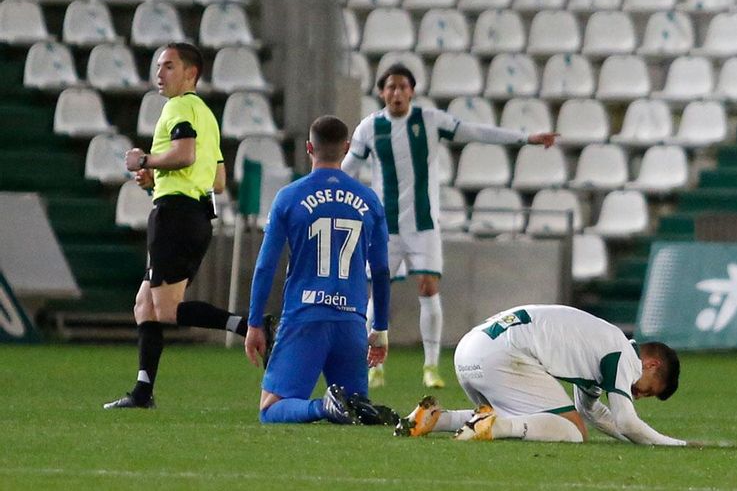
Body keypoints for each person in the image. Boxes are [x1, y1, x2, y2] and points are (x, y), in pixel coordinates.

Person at [342, 64, 559, 389]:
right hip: (384, 226)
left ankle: (430, 366)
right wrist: (324, 179)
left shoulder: (430, 121)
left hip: (424, 225)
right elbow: (348, 169)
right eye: (390, 87)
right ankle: (374, 365)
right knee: (378, 293)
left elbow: (476, 132)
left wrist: (525, 138)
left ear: (412, 91)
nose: (396, 93)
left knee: (429, 286)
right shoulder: (369, 128)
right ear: (381, 92)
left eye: (402, 87)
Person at [104, 42, 268, 410]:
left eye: (168, 66)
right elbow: (219, 179)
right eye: (158, 66)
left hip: (176, 217)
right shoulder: (206, 115)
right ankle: (143, 391)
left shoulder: (178, 107)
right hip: (191, 214)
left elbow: (185, 154)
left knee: (164, 308)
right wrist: (157, 179)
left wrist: (145, 159)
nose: (159, 74)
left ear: (190, 73)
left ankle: (248, 326)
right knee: (144, 304)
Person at [244, 115, 392, 424]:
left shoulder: (289, 197)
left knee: (270, 408)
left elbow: (265, 266)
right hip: (352, 322)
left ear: (309, 147)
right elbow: (380, 271)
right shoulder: (369, 200)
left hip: (306, 315)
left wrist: (255, 322)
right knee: (354, 407)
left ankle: (322, 408)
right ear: (347, 148)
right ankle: (353, 406)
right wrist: (379, 328)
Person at [395, 304, 690, 445]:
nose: (640, 395)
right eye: (649, 390)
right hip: (503, 355)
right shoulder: (625, 356)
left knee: (534, 416)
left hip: (470, 350)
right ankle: (495, 427)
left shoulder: (600, 347)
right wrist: (675, 444)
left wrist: (632, 439)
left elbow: (595, 414)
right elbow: (625, 419)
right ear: (651, 365)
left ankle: (435, 418)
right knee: (572, 433)